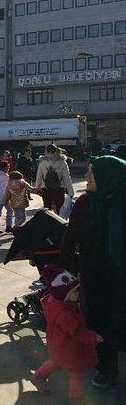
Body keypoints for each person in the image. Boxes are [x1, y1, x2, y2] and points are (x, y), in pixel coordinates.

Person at [59, 156, 126, 390]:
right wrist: (60, 271)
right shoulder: (85, 203)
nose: (87, 177)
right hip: (95, 276)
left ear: (109, 177)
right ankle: (106, 368)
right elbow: (70, 239)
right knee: (99, 321)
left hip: (121, 276)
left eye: (91, 173)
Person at [29, 265, 101, 405]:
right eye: (74, 292)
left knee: (56, 362)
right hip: (69, 346)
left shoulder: (55, 302)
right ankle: (76, 398)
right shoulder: (65, 312)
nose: (78, 294)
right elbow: (76, 332)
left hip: (57, 343)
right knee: (76, 371)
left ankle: (38, 376)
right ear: (64, 295)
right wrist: (93, 336)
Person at [35, 144, 74, 214]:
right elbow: (67, 177)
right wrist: (71, 192)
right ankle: (59, 223)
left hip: (46, 189)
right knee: (60, 208)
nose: (44, 153)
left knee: (47, 209)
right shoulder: (62, 162)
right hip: (59, 189)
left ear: (48, 151)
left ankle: (48, 223)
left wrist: (37, 188)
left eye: (45, 151)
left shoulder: (43, 162)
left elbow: (39, 176)